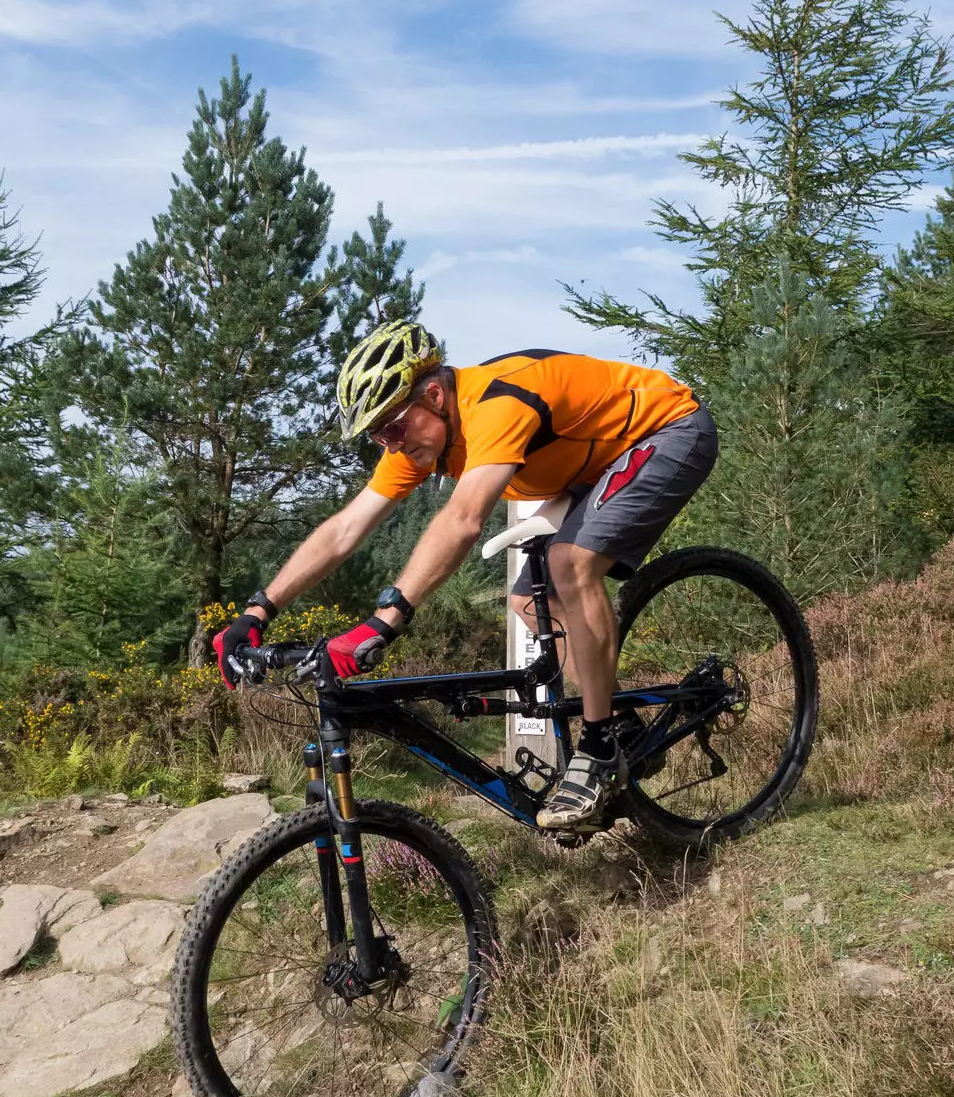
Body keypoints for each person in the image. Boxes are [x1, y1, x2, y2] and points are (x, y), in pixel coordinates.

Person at [213, 320, 717, 833]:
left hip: (669, 429)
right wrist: (258, 610)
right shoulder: (419, 437)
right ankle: (616, 720)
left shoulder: (497, 404)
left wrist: (383, 622)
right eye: (375, 437)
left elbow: (463, 519)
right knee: (526, 603)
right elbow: (346, 528)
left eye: (391, 428)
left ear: (434, 394)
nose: (388, 446)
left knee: (569, 563)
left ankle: (600, 749)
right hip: (593, 466)